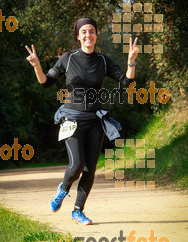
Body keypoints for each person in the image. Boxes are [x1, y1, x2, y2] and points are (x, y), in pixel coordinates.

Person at [25, 17, 139, 225]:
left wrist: (131, 60)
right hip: (71, 118)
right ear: (78, 36)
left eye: (92, 31)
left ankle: (78, 211)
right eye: (84, 32)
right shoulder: (68, 58)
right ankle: (63, 189)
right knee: (77, 164)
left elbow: (127, 81)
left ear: (96, 35)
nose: (88, 35)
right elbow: (45, 82)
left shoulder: (103, 61)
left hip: (95, 121)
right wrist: (36, 64)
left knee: (90, 169)